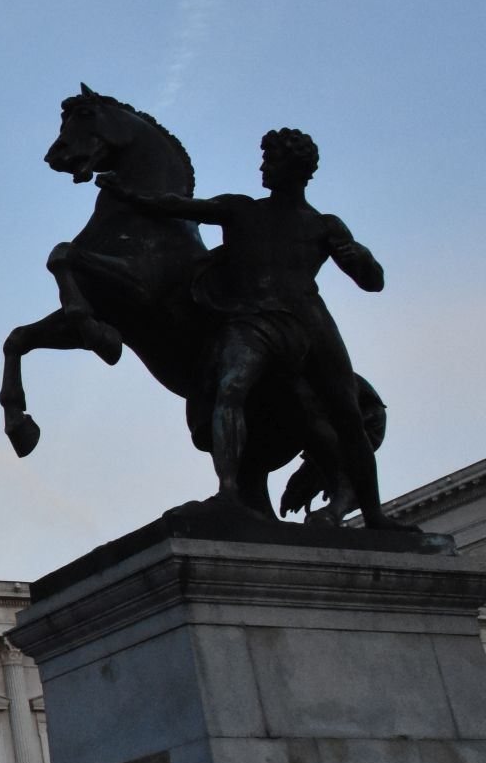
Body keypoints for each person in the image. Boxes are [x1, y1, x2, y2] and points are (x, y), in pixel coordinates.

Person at [98, 128, 406, 527]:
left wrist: (361, 258)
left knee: (347, 415)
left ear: (295, 169)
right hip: (256, 320)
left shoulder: (325, 225)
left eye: (271, 161)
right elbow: (176, 205)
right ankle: (229, 493)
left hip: (309, 322)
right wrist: (128, 194)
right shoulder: (240, 209)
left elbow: (372, 281)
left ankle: (375, 514)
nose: (263, 167)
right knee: (231, 390)